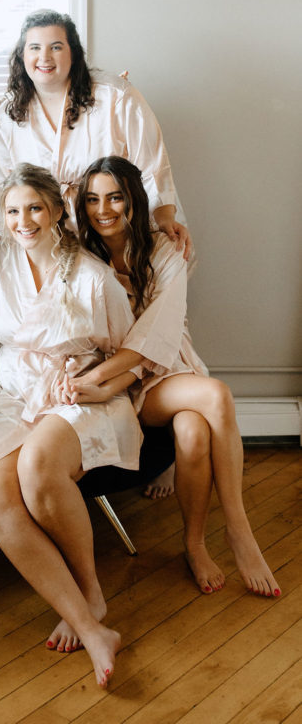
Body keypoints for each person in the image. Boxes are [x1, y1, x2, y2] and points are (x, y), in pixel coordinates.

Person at [72, 155, 280, 599]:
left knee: (194, 428)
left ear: (133, 200)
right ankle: (239, 531)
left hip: (172, 363)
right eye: (92, 199)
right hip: (131, 379)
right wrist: (102, 380)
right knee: (218, 396)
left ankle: (196, 543)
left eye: (114, 197)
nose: (103, 209)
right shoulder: (80, 257)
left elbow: (160, 331)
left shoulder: (165, 250)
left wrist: (104, 376)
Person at [0, 163, 142, 688]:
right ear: (1, 217)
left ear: (53, 210)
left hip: (81, 394)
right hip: (13, 393)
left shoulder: (91, 275)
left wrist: (91, 382)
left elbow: (132, 357)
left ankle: (89, 591)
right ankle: (92, 628)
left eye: (34, 208)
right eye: (12, 211)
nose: (23, 221)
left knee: (38, 466)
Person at [0, 8, 191, 265]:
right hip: (41, 241)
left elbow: (152, 167)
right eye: (35, 47)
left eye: (56, 47)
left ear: (73, 52)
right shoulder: (6, 115)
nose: (44, 57)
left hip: (112, 232)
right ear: (21, 55)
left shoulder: (116, 97)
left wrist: (163, 220)